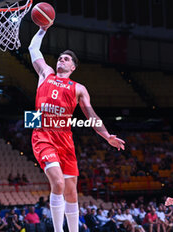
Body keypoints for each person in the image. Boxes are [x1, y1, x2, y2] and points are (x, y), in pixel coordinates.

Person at [29, 23, 125, 232]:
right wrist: (43, 29)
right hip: (43, 135)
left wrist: (107, 136)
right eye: (60, 57)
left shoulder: (79, 88)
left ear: (73, 67)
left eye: (66, 59)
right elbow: (33, 49)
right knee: (58, 182)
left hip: (65, 139)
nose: (61, 60)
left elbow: (90, 114)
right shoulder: (46, 74)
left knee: (71, 191)